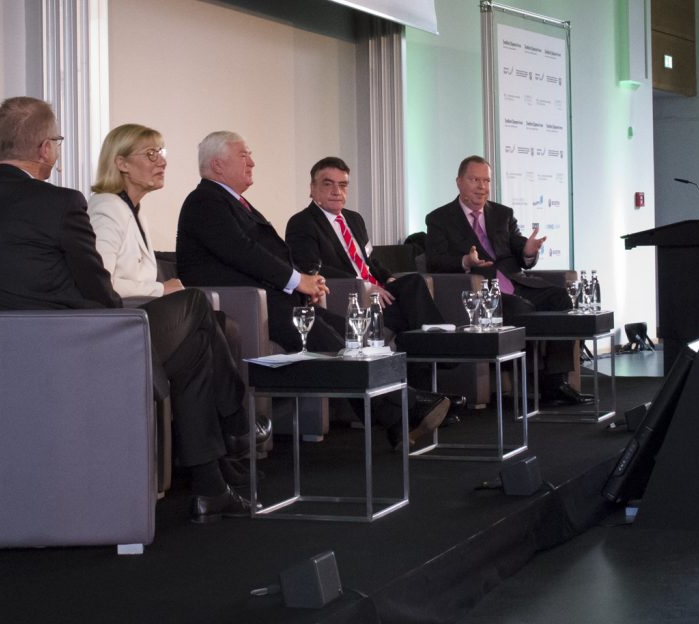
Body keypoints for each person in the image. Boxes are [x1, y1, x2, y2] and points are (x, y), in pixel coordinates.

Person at [0, 101, 265, 524]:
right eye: (57, 142)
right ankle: (237, 427)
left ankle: (212, 486)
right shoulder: (60, 203)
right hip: (76, 347)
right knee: (194, 306)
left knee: (197, 343)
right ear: (44, 149)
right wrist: (126, 321)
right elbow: (98, 287)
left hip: (1, 354)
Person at [176, 131, 449, 449]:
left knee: (348, 331)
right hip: (242, 305)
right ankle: (406, 406)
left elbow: (268, 254)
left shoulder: (234, 202)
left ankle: (399, 415)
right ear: (218, 164)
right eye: (243, 155)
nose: (252, 161)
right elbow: (244, 252)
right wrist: (298, 280)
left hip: (269, 298)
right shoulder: (205, 201)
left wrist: (303, 287)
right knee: (326, 337)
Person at [424, 155, 590, 406]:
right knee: (518, 308)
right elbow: (434, 261)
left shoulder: (502, 214)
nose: (481, 186)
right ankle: (528, 377)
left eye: (486, 180)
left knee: (561, 298)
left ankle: (555, 382)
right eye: (474, 180)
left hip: (518, 283)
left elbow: (520, 252)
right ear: (459, 182)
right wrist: (465, 262)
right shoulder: (440, 218)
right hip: (484, 293)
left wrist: (529, 251)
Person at [285, 156, 446, 335]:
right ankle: (439, 352)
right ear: (312, 189)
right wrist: (364, 285)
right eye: (328, 184)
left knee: (413, 282)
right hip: (350, 294)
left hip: (376, 289)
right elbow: (310, 269)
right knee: (408, 311)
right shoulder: (302, 222)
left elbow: (369, 260)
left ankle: (433, 347)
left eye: (343, 185)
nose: (337, 191)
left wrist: (388, 278)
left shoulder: (354, 219)